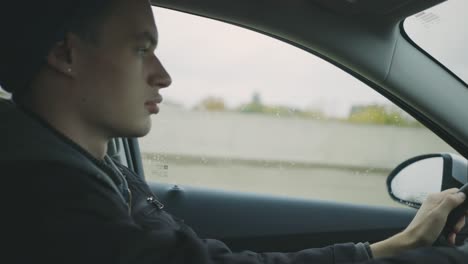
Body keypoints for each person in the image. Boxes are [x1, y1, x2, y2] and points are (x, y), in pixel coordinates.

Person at [0, 0, 467, 263]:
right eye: (142, 50)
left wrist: (388, 248)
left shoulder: (93, 169)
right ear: (66, 55)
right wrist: (387, 251)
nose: (163, 75)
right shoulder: (47, 196)